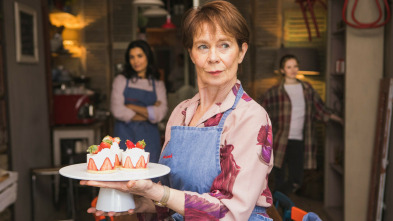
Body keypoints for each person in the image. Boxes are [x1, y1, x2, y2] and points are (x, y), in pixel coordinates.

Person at [81, 1, 274, 220]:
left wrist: (156, 192)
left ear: (241, 52)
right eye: (202, 46)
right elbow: (170, 196)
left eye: (224, 45)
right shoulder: (181, 113)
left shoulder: (250, 117)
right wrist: (140, 202)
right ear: (191, 54)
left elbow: (230, 212)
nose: (213, 57)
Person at [259, 54, 343, 195]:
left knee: (296, 180)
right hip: (279, 141)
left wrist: (339, 120)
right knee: (277, 179)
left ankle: (275, 201)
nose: (293, 70)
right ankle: (279, 213)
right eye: (289, 67)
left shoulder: (307, 89)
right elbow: (260, 111)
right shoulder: (274, 92)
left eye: (295, 66)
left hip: (299, 141)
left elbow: (320, 109)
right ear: (282, 70)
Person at [110, 39, 168, 163]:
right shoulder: (121, 80)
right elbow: (117, 110)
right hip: (124, 136)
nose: (135, 61)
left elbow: (160, 113)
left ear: (148, 56)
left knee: (149, 174)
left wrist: (131, 106)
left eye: (139, 56)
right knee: (124, 175)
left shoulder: (158, 84)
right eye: (132, 57)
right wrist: (149, 111)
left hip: (149, 138)